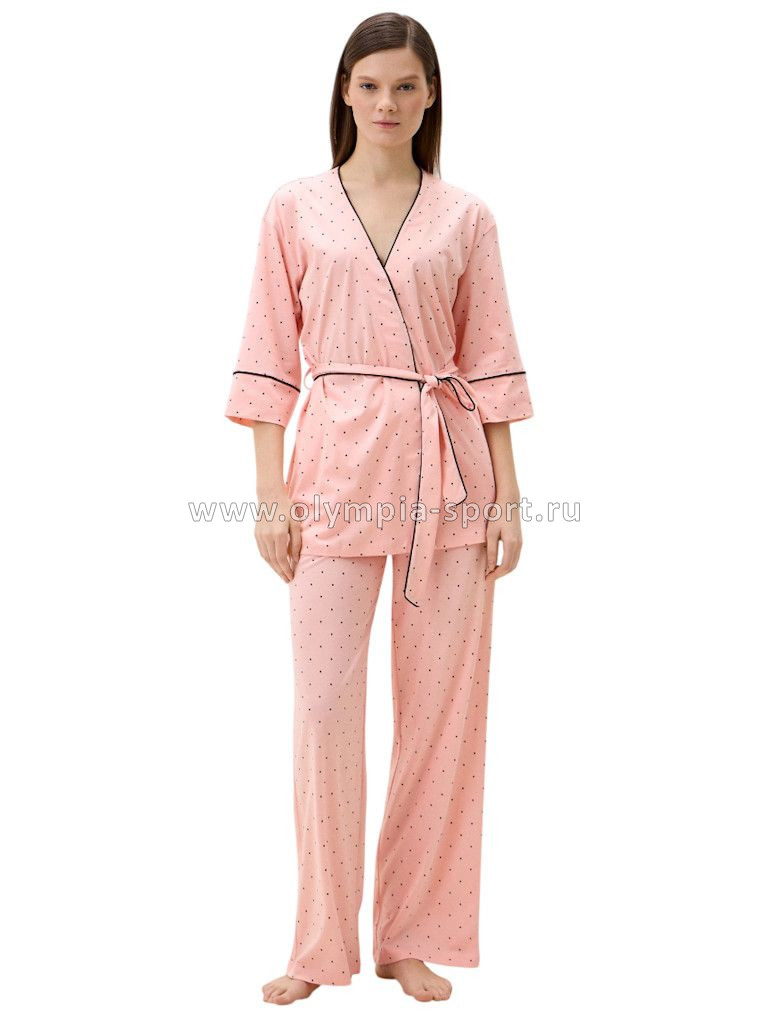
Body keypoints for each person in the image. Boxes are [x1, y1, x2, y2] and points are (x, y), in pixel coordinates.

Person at [224, 13, 534, 1005]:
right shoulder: (295, 208)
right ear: (344, 92)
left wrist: (510, 500)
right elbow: (269, 355)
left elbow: (489, 362)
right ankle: (320, 944)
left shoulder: (466, 218)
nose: (387, 103)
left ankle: (411, 936)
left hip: (450, 480)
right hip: (332, 471)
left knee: (440, 718)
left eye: (406, 86)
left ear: (431, 95)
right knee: (324, 714)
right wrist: (269, 496)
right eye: (370, 85)